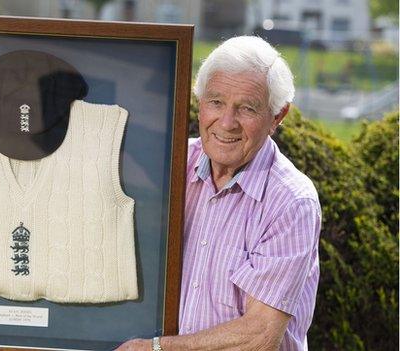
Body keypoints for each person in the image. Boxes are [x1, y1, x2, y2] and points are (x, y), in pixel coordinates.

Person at [117, 36, 321, 351]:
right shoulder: (171, 167)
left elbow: (260, 336)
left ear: (277, 117)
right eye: (216, 102)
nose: (226, 122)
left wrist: (157, 348)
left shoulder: (291, 203)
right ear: (199, 103)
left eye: (247, 108)